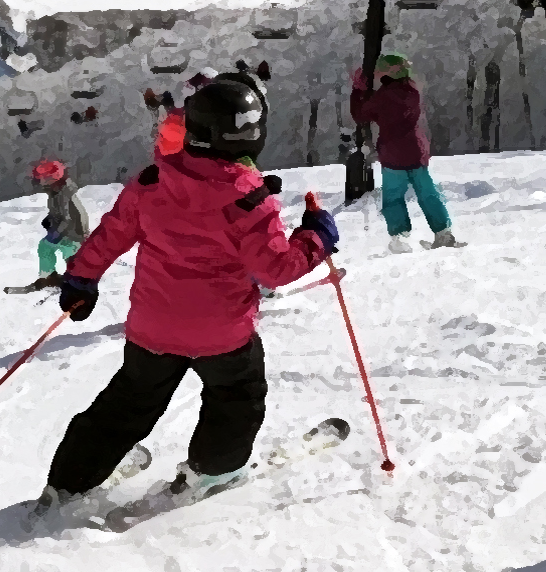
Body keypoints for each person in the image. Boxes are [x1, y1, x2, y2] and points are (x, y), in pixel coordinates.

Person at [35, 71, 340, 512]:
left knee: (127, 403)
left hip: (153, 327)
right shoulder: (247, 199)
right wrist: (315, 236)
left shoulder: (152, 181)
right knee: (236, 399)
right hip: (222, 334)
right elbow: (275, 269)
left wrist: (82, 278)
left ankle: (68, 481)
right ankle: (214, 472)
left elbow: (112, 234)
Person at [351, 52, 462, 252]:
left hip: (393, 155)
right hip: (416, 151)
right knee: (428, 194)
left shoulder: (384, 96)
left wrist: (358, 91)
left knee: (393, 197)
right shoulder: (412, 90)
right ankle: (443, 233)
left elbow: (361, 115)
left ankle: (400, 238)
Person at [14, 160, 93, 294]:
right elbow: (57, 213)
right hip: (67, 232)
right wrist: (49, 220)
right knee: (45, 247)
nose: (39, 181)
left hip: (75, 235)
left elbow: (68, 219)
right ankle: (48, 277)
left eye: (43, 178)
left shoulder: (64, 195)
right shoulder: (55, 192)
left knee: (68, 251)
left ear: (52, 178)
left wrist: (57, 234)